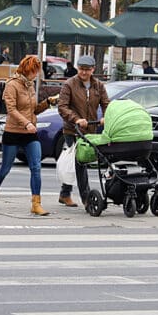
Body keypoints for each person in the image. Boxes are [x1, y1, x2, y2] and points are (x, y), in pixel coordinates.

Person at [0, 55, 53, 215]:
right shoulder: (12, 85)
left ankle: (36, 204)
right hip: (14, 132)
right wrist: (27, 123)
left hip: (30, 134)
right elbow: (12, 110)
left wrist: (48, 103)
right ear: (27, 69)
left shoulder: (30, 86)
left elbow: (33, 110)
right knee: (5, 169)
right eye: (34, 71)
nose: (36, 74)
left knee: (36, 167)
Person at [57, 55, 109, 208]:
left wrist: (106, 116)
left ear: (93, 70)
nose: (84, 73)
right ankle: (86, 198)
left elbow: (106, 103)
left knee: (75, 163)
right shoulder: (69, 84)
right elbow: (62, 107)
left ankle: (65, 193)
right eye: (81, 69)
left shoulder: (98, 86)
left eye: (87, 70)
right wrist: (76, 119)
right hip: (72, 130)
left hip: (90, 129)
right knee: (80, 163)